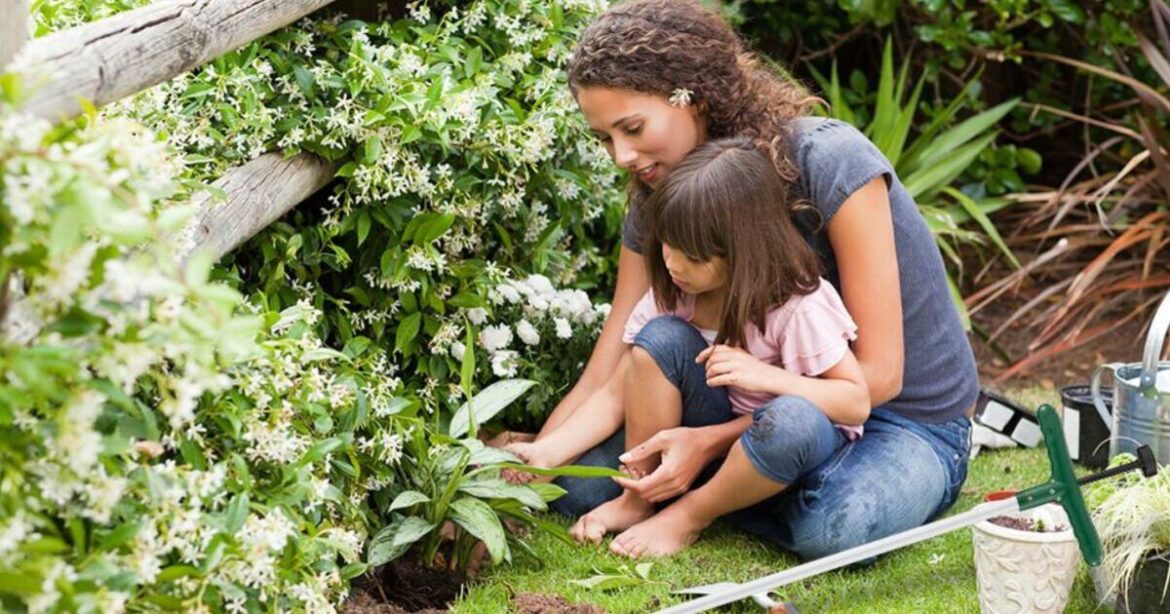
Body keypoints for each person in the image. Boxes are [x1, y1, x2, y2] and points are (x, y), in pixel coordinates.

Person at [509, 0, 978, 561]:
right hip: (744, 400)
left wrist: (706, 443)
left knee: (835, 525)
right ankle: (743, 485)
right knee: (580, 486)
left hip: (894, 420)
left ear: (694, 96)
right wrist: (535, 462)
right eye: (604, 139)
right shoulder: (657, 198)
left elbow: (876, 380)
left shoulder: (828, 162)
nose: (622, 156)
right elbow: (616, 359)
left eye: (632, 128)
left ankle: (714, 496)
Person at [512, 138, 869, 553]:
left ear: (744, 250)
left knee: (792, 422)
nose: (673, 265)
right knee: (576, 493)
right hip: (699, 431)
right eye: (668, 245)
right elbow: (617, 391)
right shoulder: (675, 292)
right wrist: (546, 452)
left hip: (777, 451)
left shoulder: (796, 306)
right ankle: (639, 498)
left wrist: (766, 376)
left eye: (693, 256)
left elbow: (855, 402)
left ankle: (692, 514)